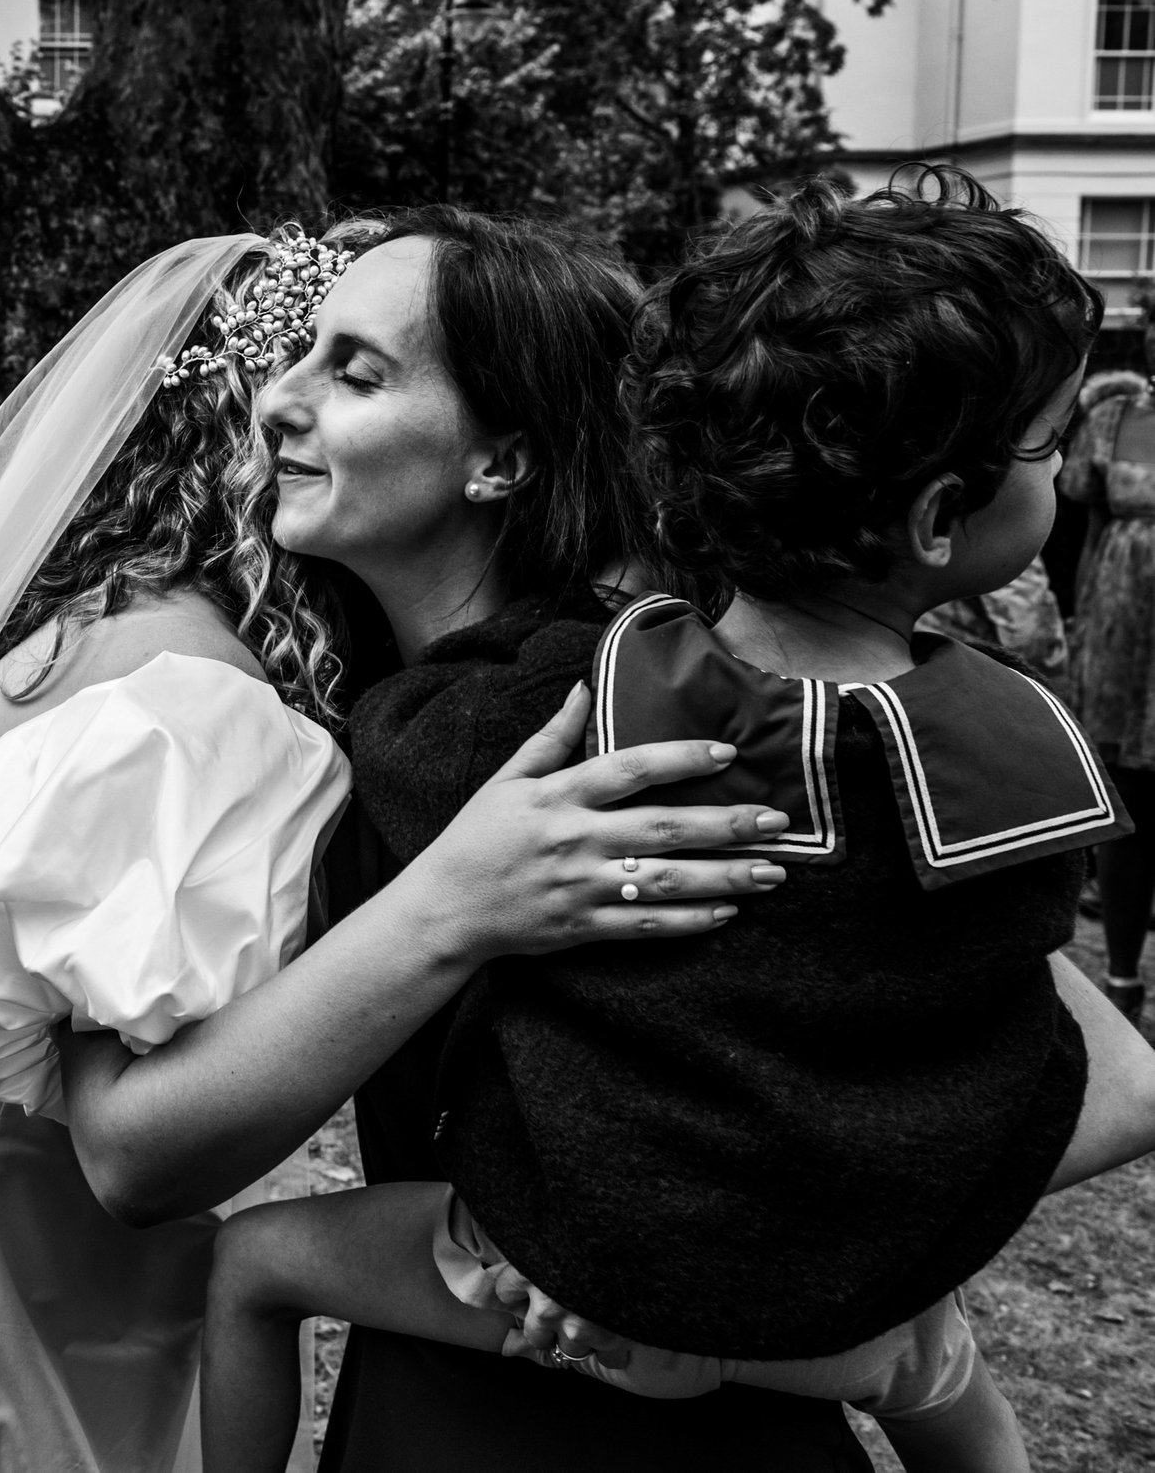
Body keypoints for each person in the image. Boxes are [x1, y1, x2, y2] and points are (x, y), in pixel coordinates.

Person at [0, 226, 793, 1473]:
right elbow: (130, 1146)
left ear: (502, 460)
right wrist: (450, 904)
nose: (279, 408)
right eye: (289, 361)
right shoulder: (204, 697)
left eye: (352, 370)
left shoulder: (495, 694)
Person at [198, 179, 1155, 1473]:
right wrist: (827, 1249)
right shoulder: (994, 744)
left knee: (255, 1262)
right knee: (954, 1398)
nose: (281, 398)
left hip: (522, 1296)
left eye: (357, 368)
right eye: (1047, 449)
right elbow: (1093, 1069)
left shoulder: (564, 699)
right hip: (798, 1334)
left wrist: (639, 1242)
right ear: (937, 518)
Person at [1062, 359, 1155, 1025]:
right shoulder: (1114, 417)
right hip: (1123, 636)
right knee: (1128, 801)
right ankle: (1122, 977)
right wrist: (1083, 625)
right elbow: (1088, 536)